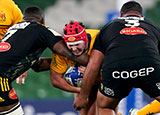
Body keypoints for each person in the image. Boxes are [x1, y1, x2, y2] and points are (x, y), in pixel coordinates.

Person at [73, 1, 160, 115]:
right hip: (148, 66)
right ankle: (139, 114)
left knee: (105, 106)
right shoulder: (153, 26)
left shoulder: (108, 27)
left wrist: (83, 97)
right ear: (141, 16)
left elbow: (94, 64)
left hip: (117, 69)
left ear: (120, 15)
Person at [0, 6, 89, 115]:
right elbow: (71, 54)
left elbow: (38, 66)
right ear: (42, 20)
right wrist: (98, 63)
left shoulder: (13, 30)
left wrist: (62, 64)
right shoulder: (41, 30)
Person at [32, 21, 100, 115]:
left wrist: (93, 73)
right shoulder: (61, 48)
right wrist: (81, 90)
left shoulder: (100, 39)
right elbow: (56, 80)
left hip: (106, 78)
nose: (74, 49)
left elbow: (114, 69)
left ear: (85, 40)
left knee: (103, 106)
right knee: (85, 111)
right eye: (70, 45)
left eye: (77, 44)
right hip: (83, 83)